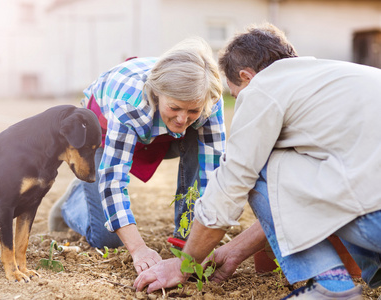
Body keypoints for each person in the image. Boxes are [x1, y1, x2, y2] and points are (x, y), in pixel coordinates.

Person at [134, 23, 381, 300]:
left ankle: (332, 287)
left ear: (246, 76)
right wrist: (236, 248)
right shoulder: (346, 76)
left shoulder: (264, 87)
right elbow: (297, 197)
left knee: (261, 160)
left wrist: (185, 263)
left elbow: (232, 185)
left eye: (236, 94)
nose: (241, 101)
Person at [48, 37, 227, 274]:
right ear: (157, 94)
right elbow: (114, 180)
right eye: (174, 107)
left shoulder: (208, 98)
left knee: (197, 138)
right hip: (102, 130)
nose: (183, 119)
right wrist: (139, 249)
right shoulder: (129, 103)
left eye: (192, 110)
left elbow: (212, 172)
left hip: (160, 132)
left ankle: (184, 234)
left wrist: (196, 245)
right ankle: (73, 201)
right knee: (108, 240)